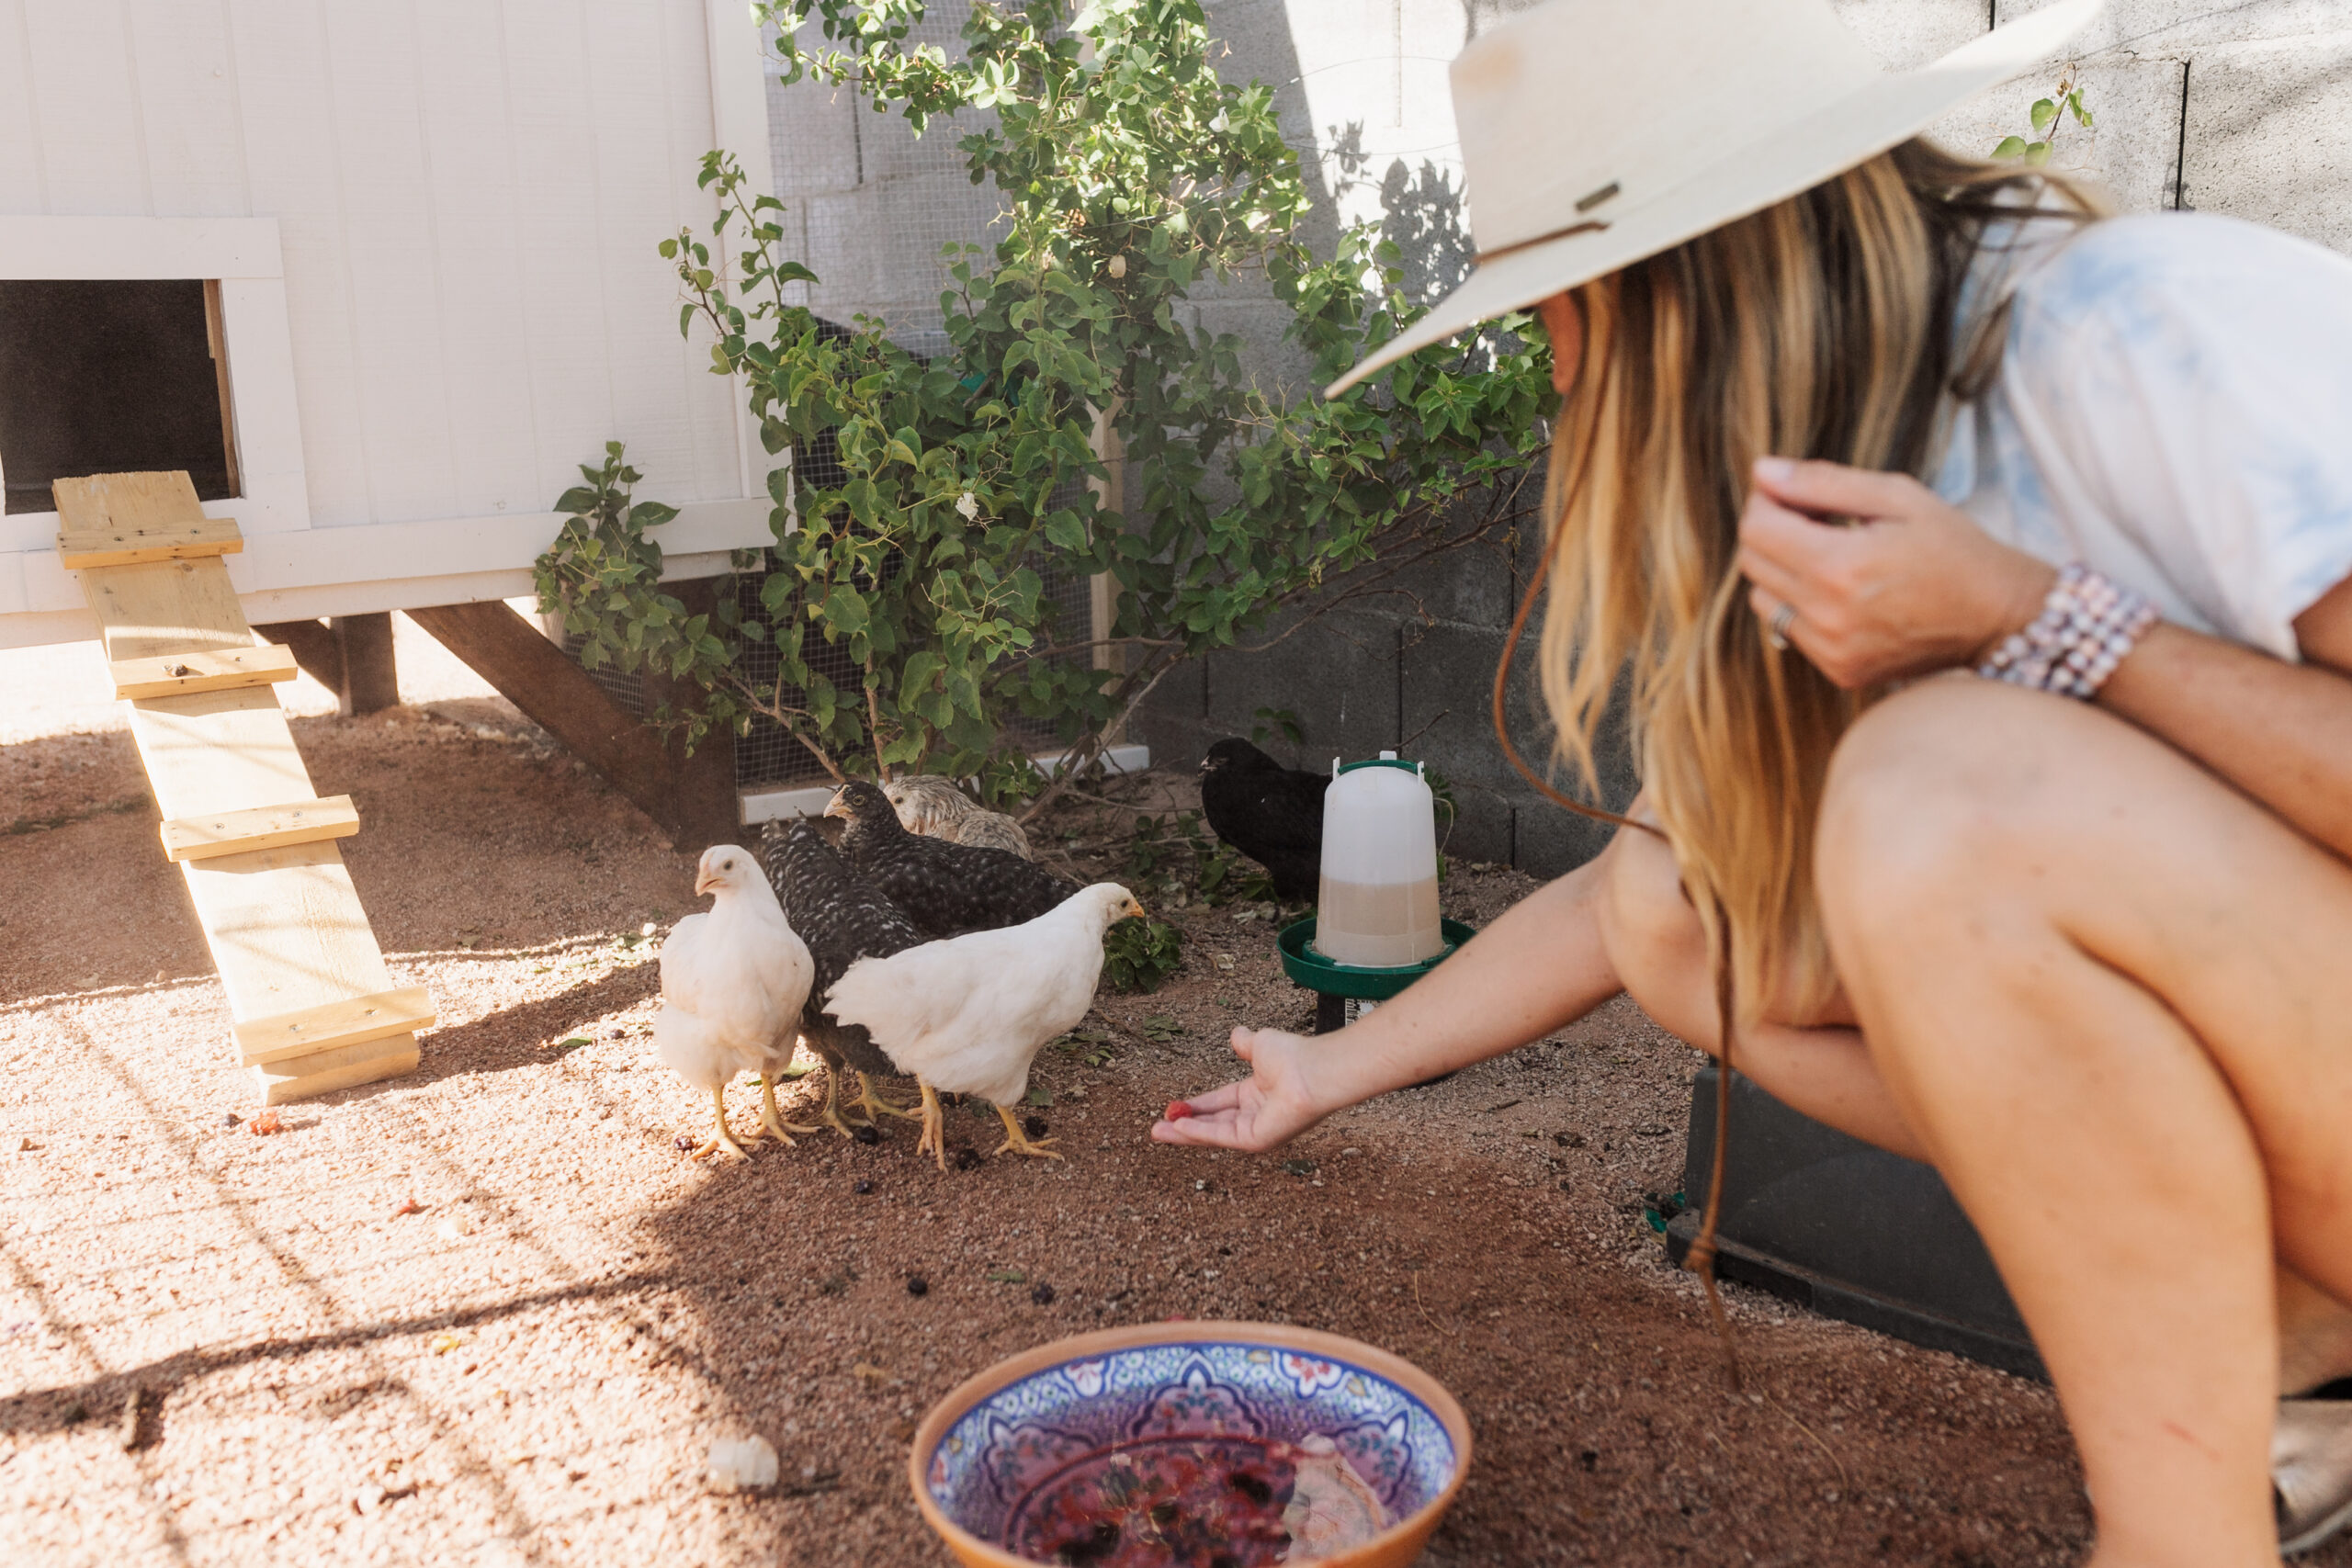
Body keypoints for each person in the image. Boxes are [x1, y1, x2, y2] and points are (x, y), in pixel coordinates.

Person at [1150, 0, 2352, 1562]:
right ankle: (2297, 1357)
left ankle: (2180, 1535)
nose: (1556, 379)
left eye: (1549, 315)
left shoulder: (2140, 324)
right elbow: (1625, 897)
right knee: (1681, 908)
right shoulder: (1851, 451)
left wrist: (2036, 622)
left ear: (1672, 282)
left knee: (1941, 796)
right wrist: (1326, 1075)